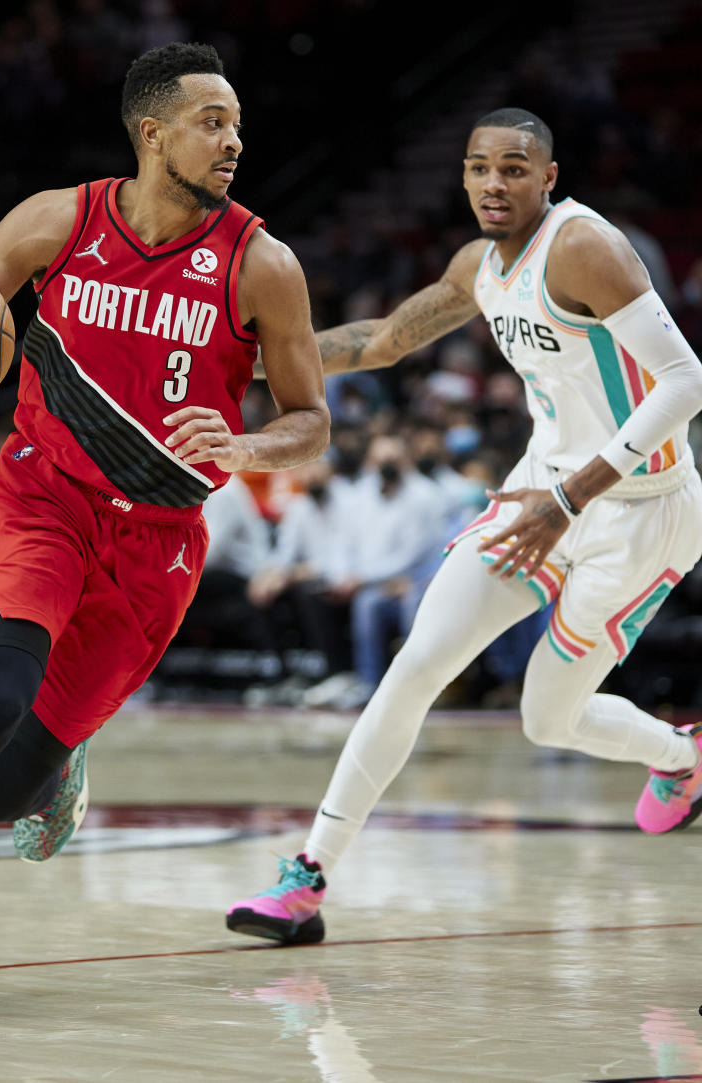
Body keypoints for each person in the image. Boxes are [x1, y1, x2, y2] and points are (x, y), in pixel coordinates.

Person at [0, 41, 329, 1027]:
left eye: (239, 126)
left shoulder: (263, 264)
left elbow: (312, 422)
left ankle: (61, 762)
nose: (234, 142)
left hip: (157, 543)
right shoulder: (58, 220)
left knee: (4, 789)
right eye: (215, 122)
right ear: (152, 130)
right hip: (40, 503)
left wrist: (249, 446)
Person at [226, 107, 702, 946]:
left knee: (548, 719)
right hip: (538, 493)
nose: (493, 182)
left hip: (639, 509)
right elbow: (378, 340)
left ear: (549, 177)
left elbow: (684, 381)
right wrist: (254, 358)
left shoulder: (586, 248)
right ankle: (305, 878)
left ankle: (679, 755)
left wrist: (574, 496)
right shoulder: (479, 266)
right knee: (414, 667)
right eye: (479, 167)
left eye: (514, 168)